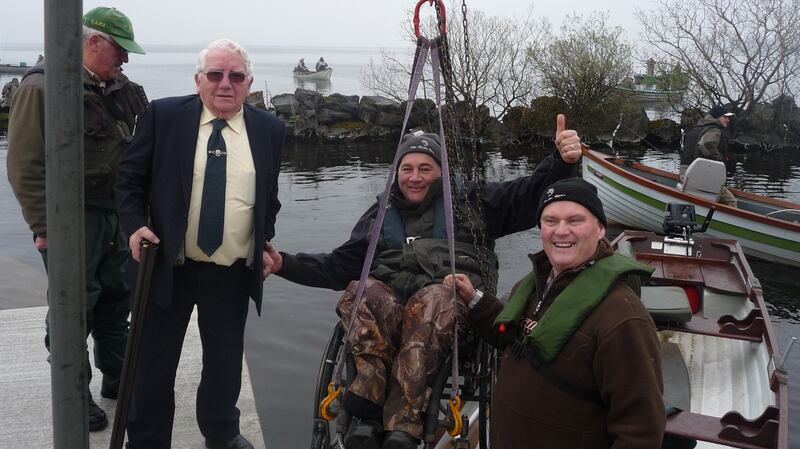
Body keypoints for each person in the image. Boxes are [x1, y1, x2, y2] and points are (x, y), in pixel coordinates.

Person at [264, 115, 582, 449]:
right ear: (397, 173)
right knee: (361, 290)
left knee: (434, 298)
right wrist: (284, 263)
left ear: (442, 172)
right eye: (407, 168)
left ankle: (404, 422)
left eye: (425, 168)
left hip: (451, 310)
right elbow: (339, 266)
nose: (415, 177)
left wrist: (561, 162)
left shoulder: (474, 203)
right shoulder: (379, 214)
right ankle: (368, 405)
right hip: (390, 312)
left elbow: (527, 197)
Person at [114, 38, 285, 449]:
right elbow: (128, 180)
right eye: (215, 74)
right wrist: (135, 226)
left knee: (224, 365)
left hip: (231, 270)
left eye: (236, 76)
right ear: (198, 79)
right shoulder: (164, 116)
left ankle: (222, 433)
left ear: (249, 83)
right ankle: (149, 441)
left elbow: (269, 196)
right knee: (153, 365)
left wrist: (265, 238)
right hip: (167, 265)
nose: (225, 84)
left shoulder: (270, 129)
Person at [6, 6, 147, 432]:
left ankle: (118, 378)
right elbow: (25, 166)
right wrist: (45, 229)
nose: (125, 60)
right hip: (71, 220)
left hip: (117, 216)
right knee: (73, 307)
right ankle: (74, 390)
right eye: (120, 51)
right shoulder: (42, 88)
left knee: (116, 298)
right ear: (93, 42)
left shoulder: (125, 90)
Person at [444, 177, 665, 449]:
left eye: (575, 221)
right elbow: (515, 340)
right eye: (551, 221)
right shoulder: (533, 286)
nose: (561, 231)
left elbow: (641, 431)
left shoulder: (622, 318)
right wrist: (476, 301)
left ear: (600, 229)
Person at [680, 104, 737, 206]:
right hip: (696, 176)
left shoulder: (698, 128)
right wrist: (720, 162)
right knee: (731, 201)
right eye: (725, 117)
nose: (728, 120)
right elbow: (707, 145)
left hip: (684, 174)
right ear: (717, 117)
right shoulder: (714, 130)